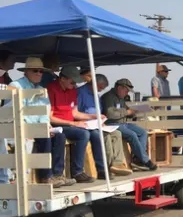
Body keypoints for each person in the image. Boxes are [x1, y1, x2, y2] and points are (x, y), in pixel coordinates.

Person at [7, 57, 76, 188]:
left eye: (41, 71)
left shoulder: (41, 89)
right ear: (26, 72)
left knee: (59, 136)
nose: (39, 74)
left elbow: (45, 113)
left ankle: (57, 174)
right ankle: (46, 176)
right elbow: (14, 112)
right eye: (35, 71)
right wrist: (36, 128)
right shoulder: (15, 86)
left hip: (37, 126)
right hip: (20, 126)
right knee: (44, 136)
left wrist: (46, 126)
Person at [48, 66, 105, 183]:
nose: (74, 84)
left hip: (69, 124)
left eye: (75, 82)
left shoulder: (72, 90)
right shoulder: (51, 89)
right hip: (58, 126)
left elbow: (75, 112)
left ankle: (102, 169)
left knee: (95, 134)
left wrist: (94, 116)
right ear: (62, 78)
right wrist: (73, 123)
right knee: (83, 134)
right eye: (72, 81)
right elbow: (50, 117)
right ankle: (77, 172)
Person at [72, 72, 132, 178]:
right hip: (86, 124)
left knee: (117, 133)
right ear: (93, 83)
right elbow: (76, 113)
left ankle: (117, 164)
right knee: (101, 136)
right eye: (100, 87)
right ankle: (103, 168)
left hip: (97, 123)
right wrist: (93, 118)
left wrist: (101, 120)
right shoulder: (80, 93)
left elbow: (99, 111)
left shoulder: (96, 94)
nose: (100, 90)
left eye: (102, 88)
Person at [102, 79, 158, 171]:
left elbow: (126, 111)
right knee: (132, 135)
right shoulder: (108, 97)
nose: (127, 93)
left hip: (123, 123)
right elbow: (110, 114)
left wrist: (135, 111)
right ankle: (145, 160)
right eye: (126, 90)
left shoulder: (121, 97)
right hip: (112, 124)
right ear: (119, 88)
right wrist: (127, 112)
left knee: (143, 132)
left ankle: (137, 159)